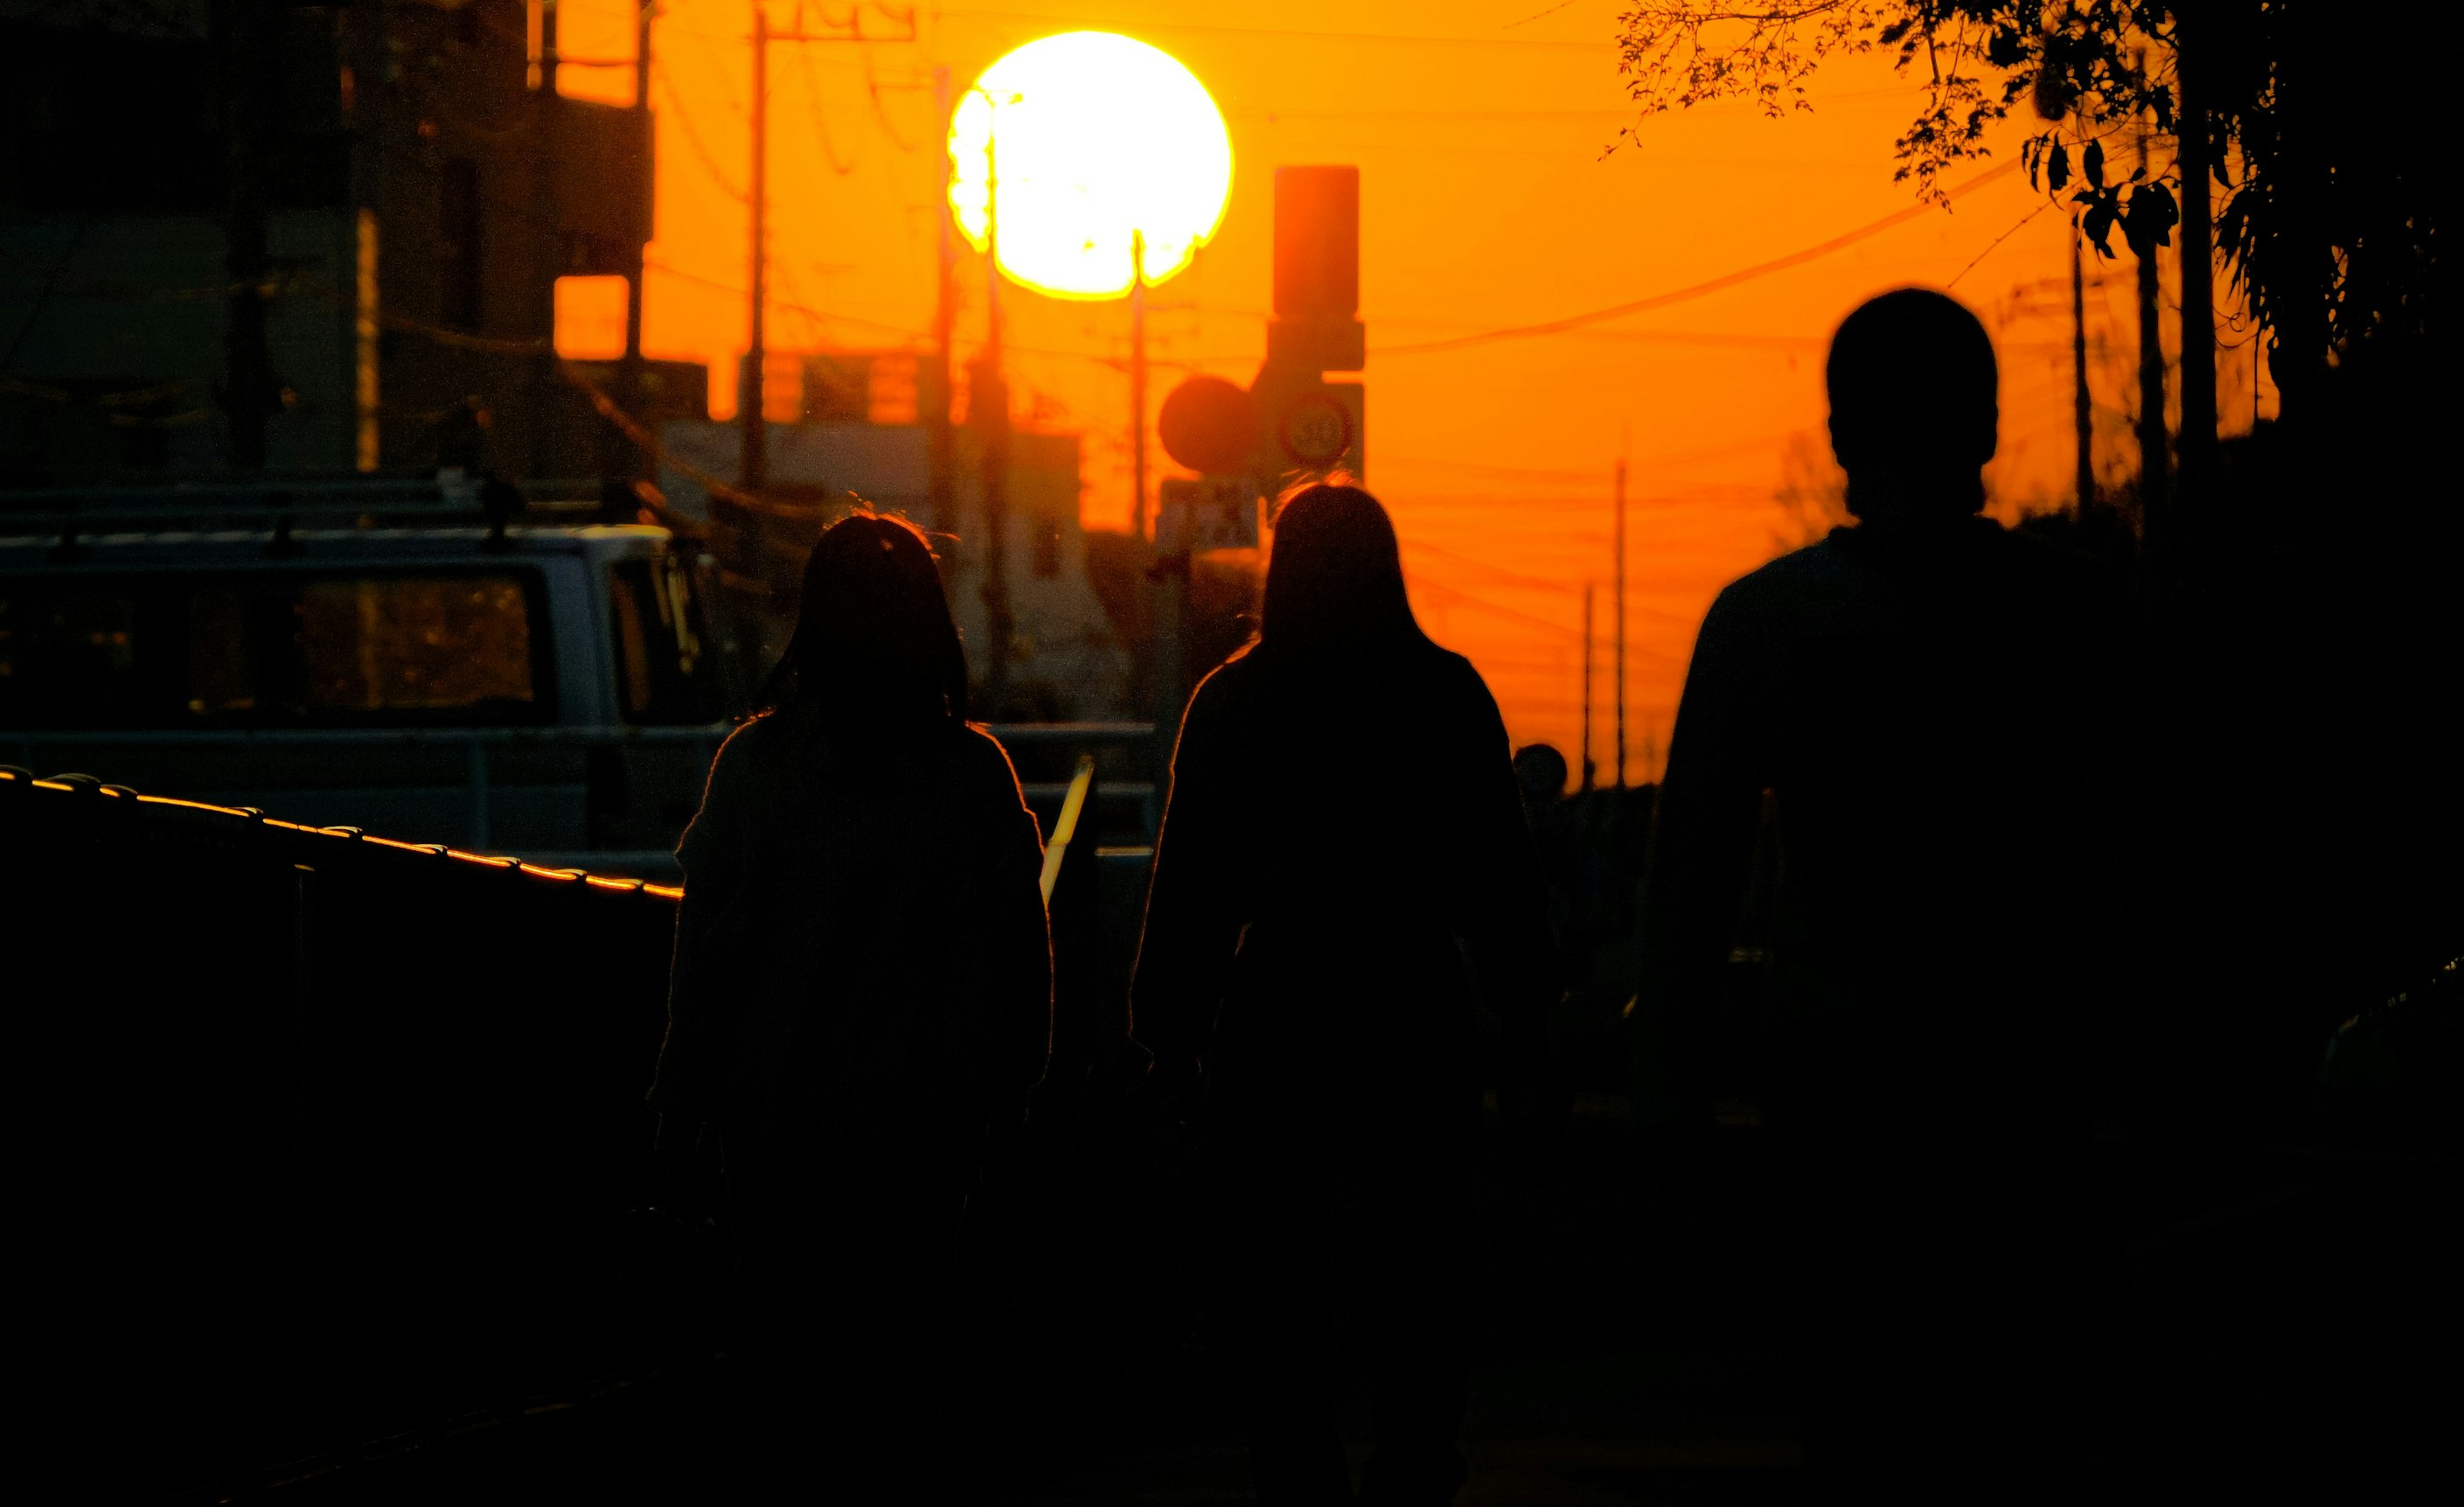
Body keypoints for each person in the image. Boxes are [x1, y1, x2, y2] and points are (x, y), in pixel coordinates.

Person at [1636, 287, 2123, 1502]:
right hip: (2014, 1063)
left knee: (1855, 1416)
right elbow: (2131, 838)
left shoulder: (1766, 621)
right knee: (2006, 1408)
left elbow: (1693, 871)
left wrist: (1673, 1079)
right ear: (1992, 430)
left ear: (1841, 435)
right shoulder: (2065, 613)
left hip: (1838, 1068)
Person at [1134, 481, 1556, 1507]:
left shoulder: (1235, 702)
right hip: (1414, 998)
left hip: (1278, 1002)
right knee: (1422, 1261)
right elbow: (1499, 876)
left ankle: (1297, 1469)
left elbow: (1189, 884)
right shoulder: (1447, 693)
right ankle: (1415, 1463)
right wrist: (1529, 1014)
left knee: (1272, 1266)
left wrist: (1167, 1032)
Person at [650, 512, 1051, 1497]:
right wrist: (1012, 1101)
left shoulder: (756, 768)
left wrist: (676, 1114)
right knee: (903, 1376)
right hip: (925, 1129)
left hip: (777, 1130)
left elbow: (703, 961)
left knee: (784, 1382)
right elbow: (1021, 955)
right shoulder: (969, 774)